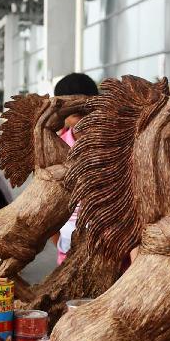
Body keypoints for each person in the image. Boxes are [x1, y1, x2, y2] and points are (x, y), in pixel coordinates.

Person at [52, 72, 99, 264]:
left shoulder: (116, 144)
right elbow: (48, 203)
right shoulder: (56, 150)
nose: (80, 118)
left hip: (111, 252)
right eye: (73, 112)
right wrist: (59, 243)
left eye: (84, 108)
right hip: (67, 251)